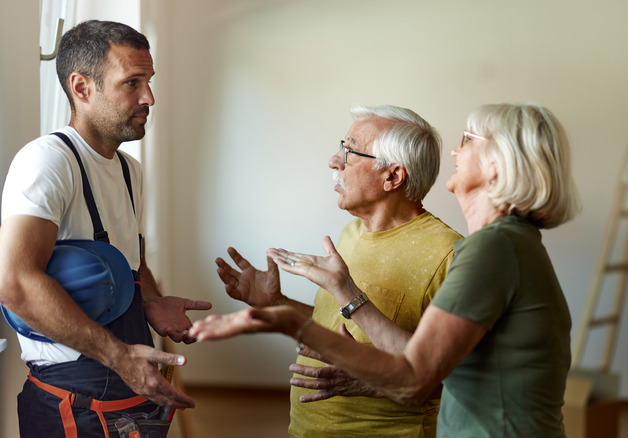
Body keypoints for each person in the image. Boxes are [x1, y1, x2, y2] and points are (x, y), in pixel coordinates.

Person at [192, 103, 580, 437]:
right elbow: (419, 357)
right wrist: (279, 304)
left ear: (497, 164)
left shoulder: (491, 248)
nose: (456, 151)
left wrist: (289, 324)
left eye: (468, 139)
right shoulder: (507, 244)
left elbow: (415, 378)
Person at [0, 20, 211, 437]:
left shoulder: (130, 170)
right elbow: (16, 284)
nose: (149, 97)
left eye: (149, 81)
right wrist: (119, 357)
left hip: (128, 393)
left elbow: (134, 259)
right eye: (132, 82)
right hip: (73, 401)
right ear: (82, 88)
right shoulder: (47, 161)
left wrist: (150, 300)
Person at [213, 104, 462, 437]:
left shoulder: (451, 253)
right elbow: (340, 323)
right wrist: (275, 301)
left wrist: (376, 379)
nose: (334, 161)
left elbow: (460, 380)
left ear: (392, 176)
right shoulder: (351, 234)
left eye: (349, 151)